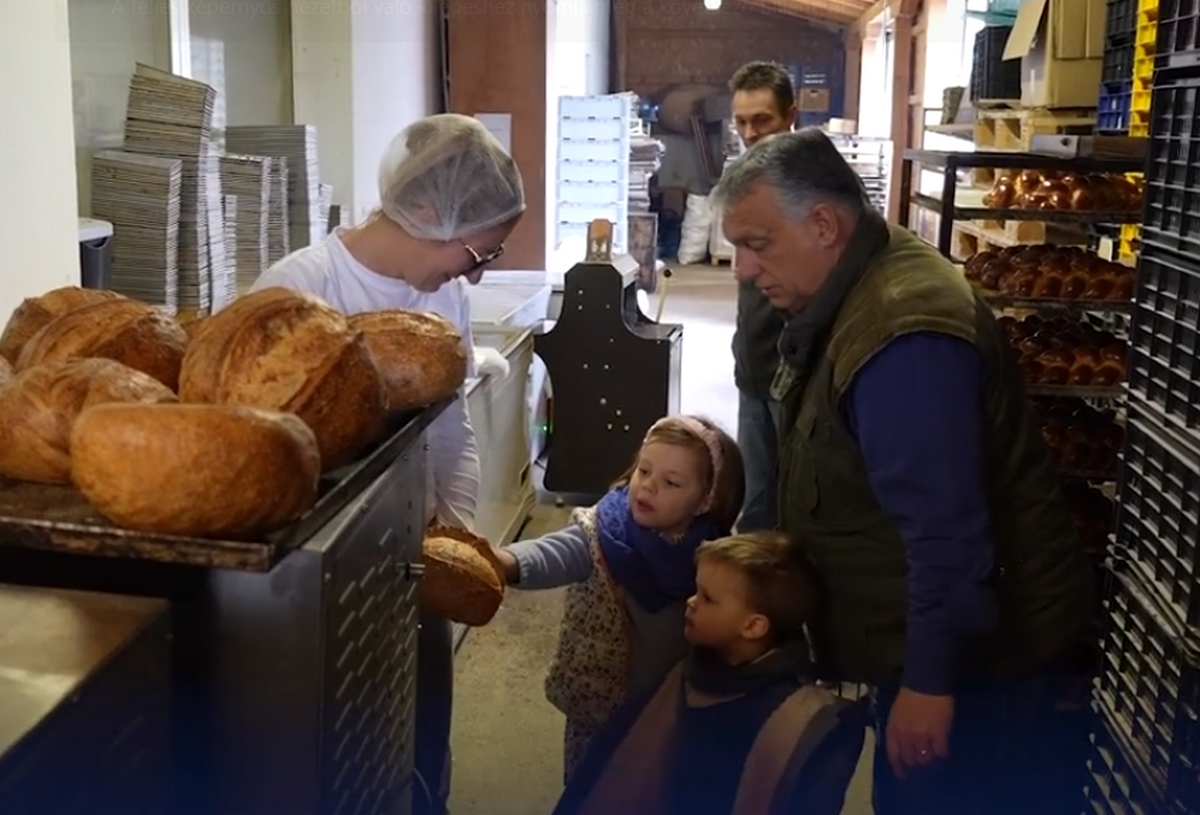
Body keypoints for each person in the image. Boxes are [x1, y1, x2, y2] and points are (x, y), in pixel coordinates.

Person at [710, 129, 1096, 815]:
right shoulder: (857, 282)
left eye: (758, 243)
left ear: (825, 225)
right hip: (945, 652)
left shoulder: (903, 335)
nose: (741, 268)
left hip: (985, 673)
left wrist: (929, 683)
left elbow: (945, 532)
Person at [249, 113, 525, 815]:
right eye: (477, 253)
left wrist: (453, 532)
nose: (476, 270)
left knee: (423, 721)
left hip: (413, 550)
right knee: (339, 743)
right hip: (321, 579)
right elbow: (264, 455)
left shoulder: (446, 296)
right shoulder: (299, 292)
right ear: (427, 213)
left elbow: (450, 427)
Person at [493, 415, 745, 781]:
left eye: (671, 482)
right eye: (644, 471)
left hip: (670, 713)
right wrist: (504, 562)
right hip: (596, 709)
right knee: (590, 786)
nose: (648, 488)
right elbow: (554, 554)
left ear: (706, 500)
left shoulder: (713, 557)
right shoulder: (603, 533)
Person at [551, 531, 867, 815]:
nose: (690, 603)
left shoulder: (796, 719)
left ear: (753, 626)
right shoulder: (686, 674)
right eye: (696, 590)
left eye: (708, 598)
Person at [726, 61, 796, 533]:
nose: (750, 132)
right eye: (742, 122)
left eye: (762, 120)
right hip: (753, 364)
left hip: (795, 371)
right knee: (756, 499)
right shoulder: (742, 179)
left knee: (797, 499)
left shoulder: (815, 188)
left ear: (791, 115)